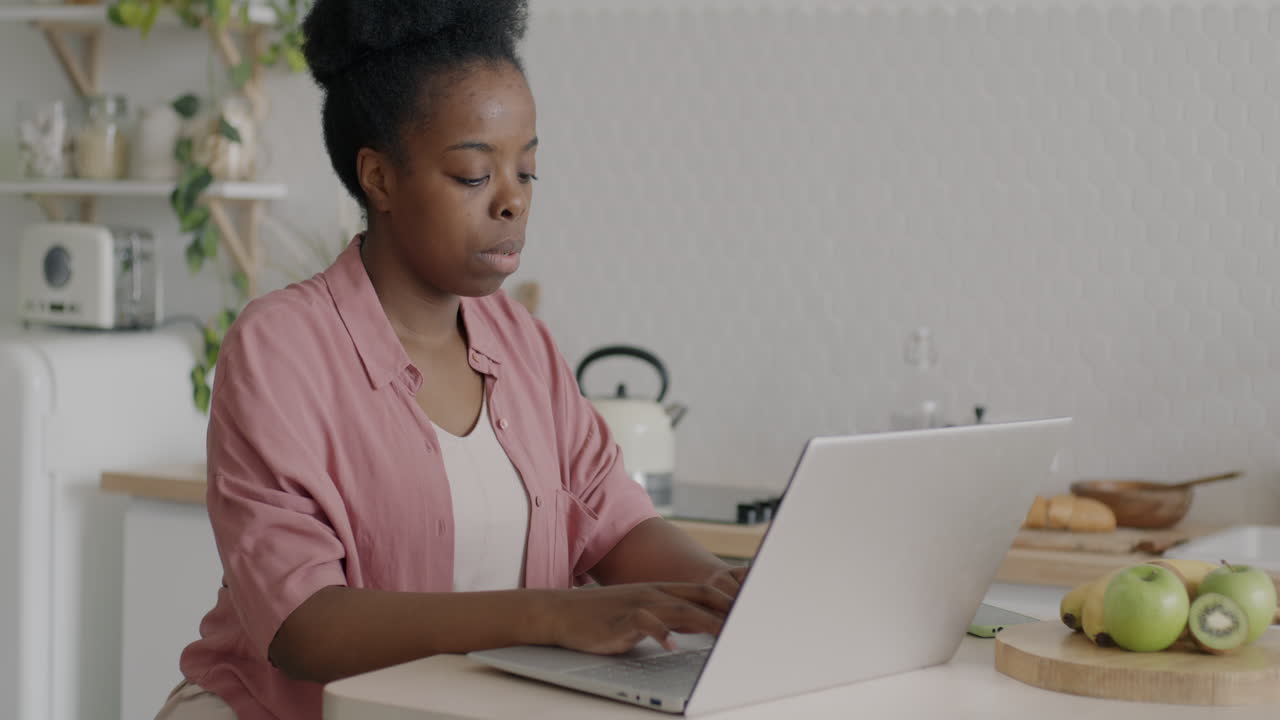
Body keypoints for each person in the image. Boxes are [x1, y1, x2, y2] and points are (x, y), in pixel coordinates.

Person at [155, 1, 745, 718]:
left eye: (527, 172)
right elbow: (303, 626)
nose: (512, 203)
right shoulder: (280, 346)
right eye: (473, 175)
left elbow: (616, 524)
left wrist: (731, 594)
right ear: (378, 177)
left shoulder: (523, 343)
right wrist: (552, 614)